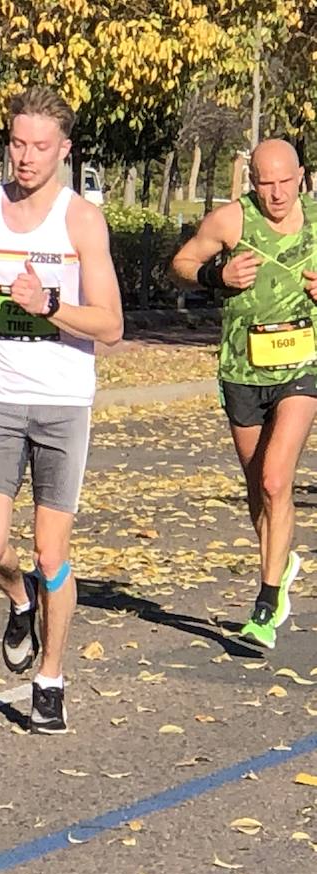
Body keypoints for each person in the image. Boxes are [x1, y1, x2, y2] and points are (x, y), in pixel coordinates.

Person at [0, 86, 123, 733]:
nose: (26, 156)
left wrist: (50, 305)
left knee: (52, 553)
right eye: (17, 143)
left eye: (40, 146)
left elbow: (111, 324)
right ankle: (19, 602)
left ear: (64, 150)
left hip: (63, 402)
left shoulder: (79, 221)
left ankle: (50, 677)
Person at [170, 139, 317, 649]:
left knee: (278, 480)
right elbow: (181, 263)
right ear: (251, 180)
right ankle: (283, 558)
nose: (275, 193)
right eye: (264, 182)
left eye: (285, 180)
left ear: (302, 175)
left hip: (303, 364)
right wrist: (217, 274)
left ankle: (266, 599)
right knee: (258, 486)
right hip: (242, 368)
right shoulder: (231, 221)